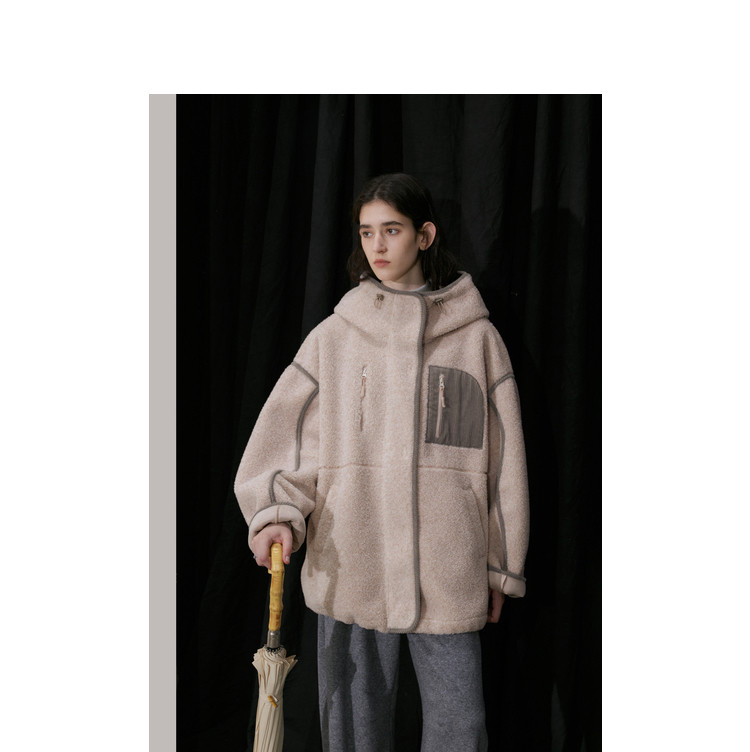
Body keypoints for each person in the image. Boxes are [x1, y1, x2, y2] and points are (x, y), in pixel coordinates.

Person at [235, 173, 529, 752]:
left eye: (391, 230)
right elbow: (289, 441)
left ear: (425, 235)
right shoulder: (334, 338)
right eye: (367, 232)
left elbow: (504, 465)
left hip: (448, 566)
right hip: (353, 561)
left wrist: (501, 565)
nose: (377, 245)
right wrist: (277, 512)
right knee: (352, 725)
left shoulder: (476, 341)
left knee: (460, 724)